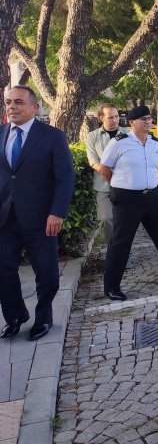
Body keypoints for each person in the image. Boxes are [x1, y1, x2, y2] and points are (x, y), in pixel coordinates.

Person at [0, 86, 75, 341]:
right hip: (5, 218)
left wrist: (57, 212)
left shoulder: (52, 136)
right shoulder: (0, 134)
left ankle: (43, 318)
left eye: (18, 102)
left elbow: (65, 178)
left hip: (42, 219)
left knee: (47, 274)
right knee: (3, 269)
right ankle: (15, 316)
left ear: (35, 107)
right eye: (8, 102)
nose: (12, 107)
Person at [99, 105, 158, 301]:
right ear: (132, 122)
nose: (148, 122)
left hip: (152, 196)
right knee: (121, 242)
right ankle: (111, 286)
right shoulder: (119, 143)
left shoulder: (155, 143)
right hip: (127, 198)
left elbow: (156, 167)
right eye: (143, 119)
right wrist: (117, 185)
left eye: (149, 118)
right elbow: (105, 168)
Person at [86, 104, 127, 251]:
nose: (115, 120)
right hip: (103, 186)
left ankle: (121, 252)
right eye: (111, 117)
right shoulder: (93, 136)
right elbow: (93, 161)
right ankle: (113, 250)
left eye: (117, 116)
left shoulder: (127, 134)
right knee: (106, 217)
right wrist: (108, 172)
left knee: (124, 221)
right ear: (101, 118)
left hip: (125, 185)